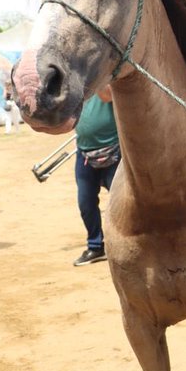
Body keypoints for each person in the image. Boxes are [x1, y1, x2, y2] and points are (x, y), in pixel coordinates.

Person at [73, 86, 120, 266]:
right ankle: (95, 246)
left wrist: (96, 81)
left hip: (114, 149)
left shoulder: (103, 78)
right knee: (85, 202)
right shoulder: (75, 85)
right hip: (85, 152)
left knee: (122, 201)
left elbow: (108, 96)